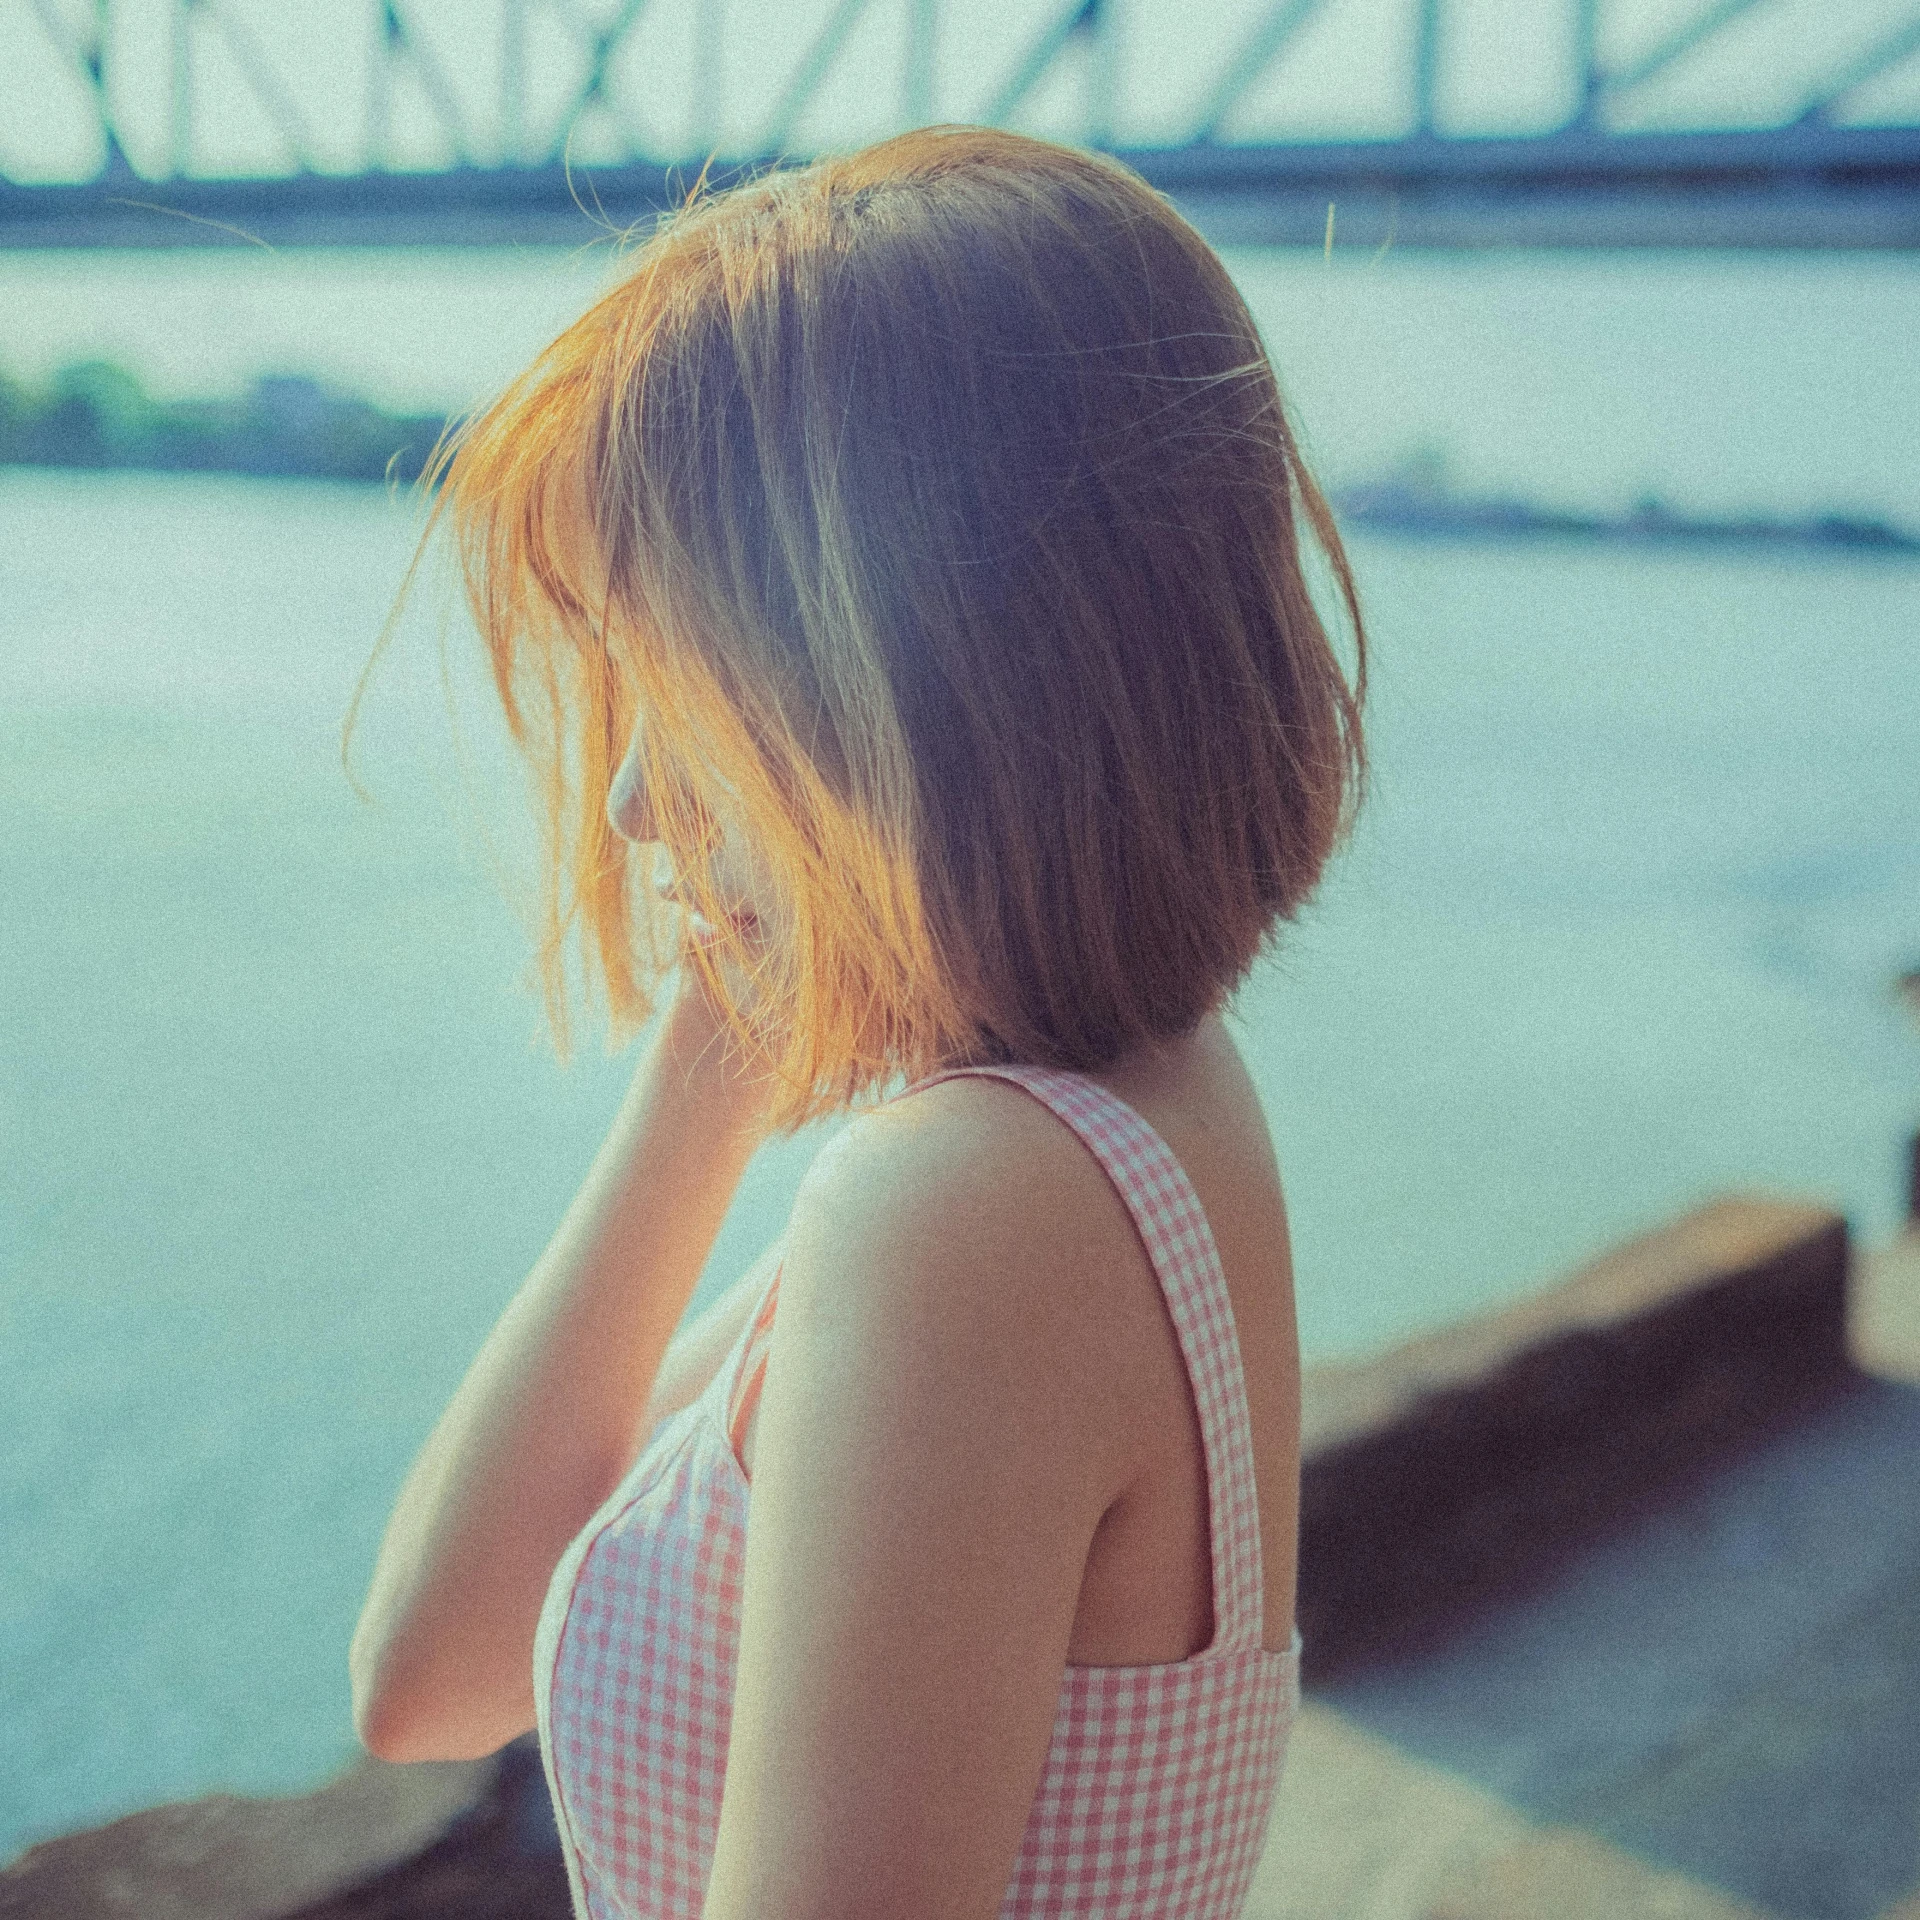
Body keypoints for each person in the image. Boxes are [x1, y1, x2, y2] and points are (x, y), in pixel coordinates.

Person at [346, 122, 1366, 1920]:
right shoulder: (1126, 1108)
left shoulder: (971, 1205)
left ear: (904, 677)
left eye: (689, 682)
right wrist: (709, 1058)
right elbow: (438, 1670)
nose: (634, 806)